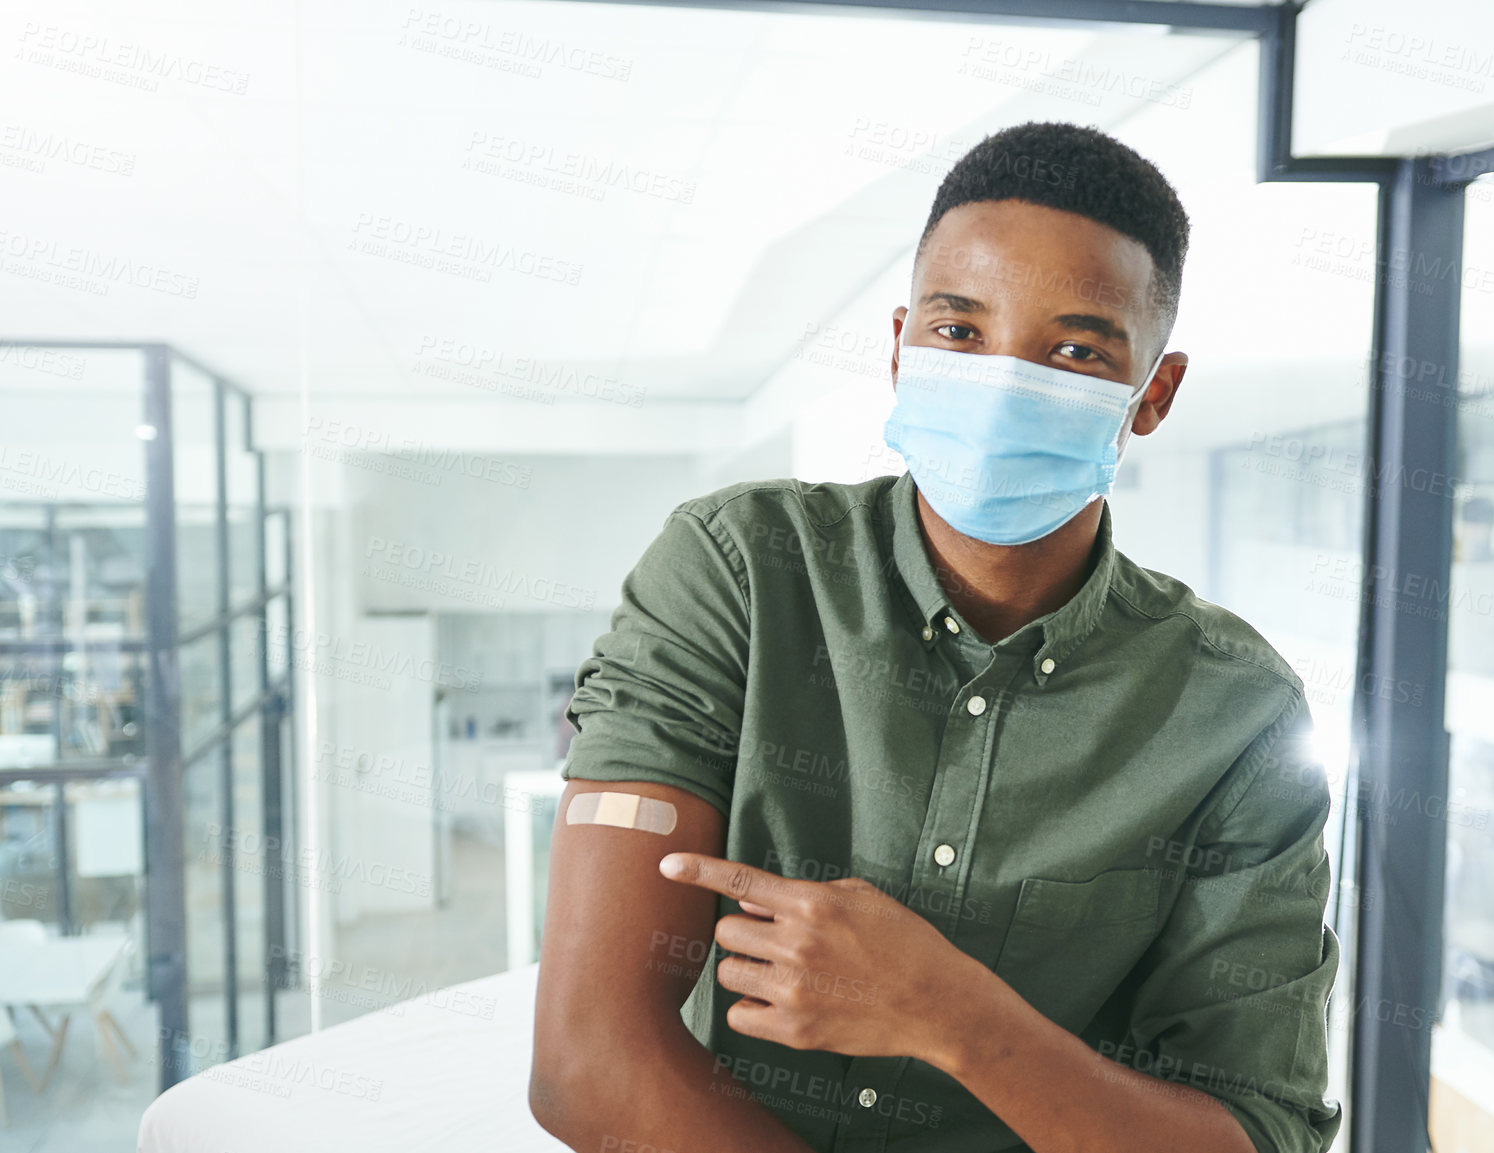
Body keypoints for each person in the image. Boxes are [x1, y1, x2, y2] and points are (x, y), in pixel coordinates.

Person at [530, 120, 1341, 1153]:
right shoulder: (740, 569)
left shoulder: (1234, 714)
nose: (1004, 383)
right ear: (902, 345)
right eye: (960, 333)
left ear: (1154, 394)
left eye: (1074, 350)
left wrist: (958, 1019)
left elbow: (1255, 1132)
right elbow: (588, 1061)